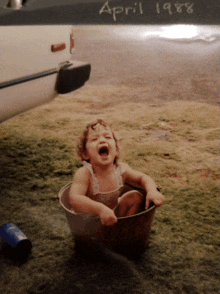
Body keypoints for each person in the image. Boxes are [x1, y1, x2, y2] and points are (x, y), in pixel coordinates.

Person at [69, 119, 164, 226]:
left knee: (135, 196)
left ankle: (125, 228)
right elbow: (75, 199)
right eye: (94, 139)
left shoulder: (121, 170)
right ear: (85, 154)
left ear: (116, 149)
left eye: (108, 137)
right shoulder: (85, 174)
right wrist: (100, 210)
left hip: (114, 213)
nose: (102, 140)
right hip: (90, 221)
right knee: (92, 223)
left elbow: (142, 178)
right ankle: (116, 231)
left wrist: (152, 190)